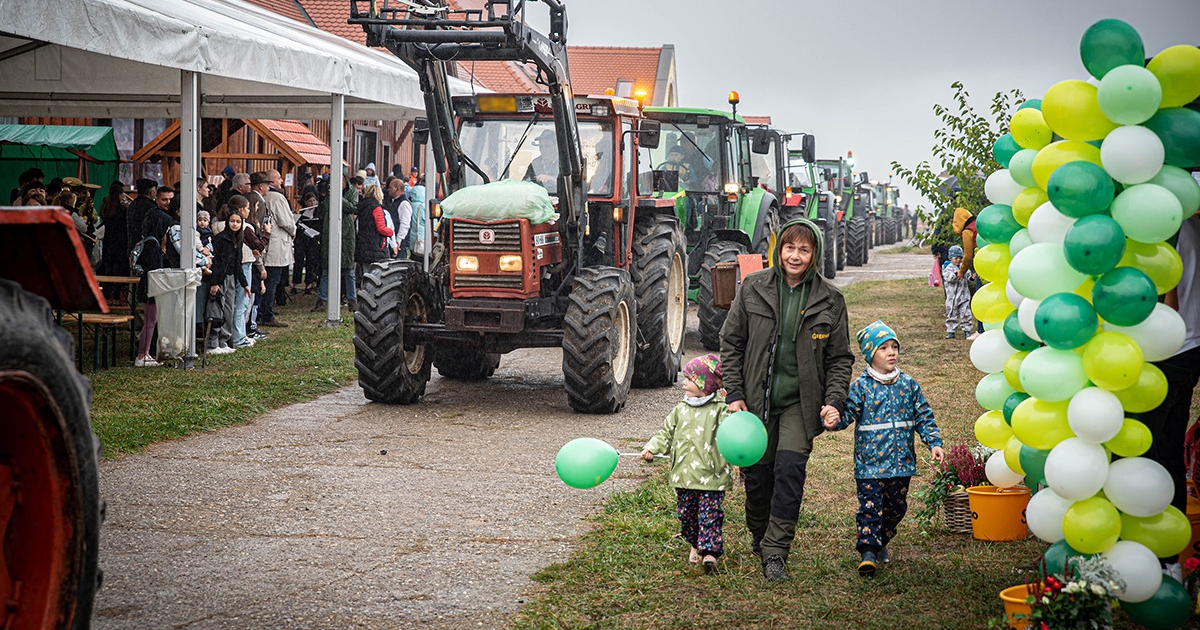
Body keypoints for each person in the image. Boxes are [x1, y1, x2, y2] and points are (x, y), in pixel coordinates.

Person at [719, 217, 855, 581]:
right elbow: (731, 342)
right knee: (758, 476)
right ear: (779, 250)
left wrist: (834, 400)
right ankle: (760, 534)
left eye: (804, 250)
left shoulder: (830, 298)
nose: (795, 256)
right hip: (754, 400)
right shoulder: (753, 287)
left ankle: (776, 550)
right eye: (789, 248)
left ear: (815, 255)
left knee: (790, 470)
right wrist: (734, 393)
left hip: (800, 401)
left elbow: (840, 358)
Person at [823, 320, 944, 577]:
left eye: (894, 347)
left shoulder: (909, 385)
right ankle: (868, 552)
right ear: (870, 354)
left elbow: (923, 416)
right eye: (883, 348)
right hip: (869, 465)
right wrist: (833, 420)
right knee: (870, 508)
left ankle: (881, 541)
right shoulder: (861, 387)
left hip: (901, 463)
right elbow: (846, 416)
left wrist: (933, 442)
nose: (891, 352)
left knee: (897, 508)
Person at [1141, 205, 1200, 581]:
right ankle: (1169, 561)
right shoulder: (1191, 219)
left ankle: (1156, 558)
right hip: (1191, 347)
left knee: (1143, 451)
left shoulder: (1161, 223)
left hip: (1169, 350)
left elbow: (1169, 299)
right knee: (1169, 453)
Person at [641, 353, 732, 573]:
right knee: (687, 515)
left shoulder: (721, 410)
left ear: (706, 383)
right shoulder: (681, 410)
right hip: (684, 476)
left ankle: (710, 553)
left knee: (710, 515)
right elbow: (666, 433)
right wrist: (653, 447)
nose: (684, 383)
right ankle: (695, 542)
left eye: (690, 379)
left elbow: (734, 432)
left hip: (712, 476)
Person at [133, 187, 175, 367]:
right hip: (150, 287)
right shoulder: (154, 245)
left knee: (151, 321)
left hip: (148, 285)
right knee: (150, 322)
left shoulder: (150, 241)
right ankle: (142, 355)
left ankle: (145, 353)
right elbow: (154, 270)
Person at [252, 170, 296, 328]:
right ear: (270, 182)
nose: (282, 181)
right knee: (272, 281)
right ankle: (267, 313)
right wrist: (294, 231)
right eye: (278, 178)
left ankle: (262, 311)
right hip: (276, 244)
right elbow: (286, 221)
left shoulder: (262, 198)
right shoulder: (276, 197)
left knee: (266, 280)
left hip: (267, 244)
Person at [207, 209, 249, 354]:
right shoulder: (221, 239)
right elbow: (219, 262)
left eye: (238, 222)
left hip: (231, 278)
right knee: (217, 308)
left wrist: (244, 284)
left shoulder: (239, 240)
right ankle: (213, 342)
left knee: (228, 309)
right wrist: (215, 282)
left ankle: (223, 340)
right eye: (232, 221)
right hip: (220, 277)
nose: (235, 224)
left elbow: (238, 263)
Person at [314, 181, 358, 314]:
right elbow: (320, 212)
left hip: (347, 234)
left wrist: (338, 197)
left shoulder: (352, 192)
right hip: (329, 233)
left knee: (349, 270)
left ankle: (352, 300)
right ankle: (322, 300)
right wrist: (324, 198)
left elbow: (351, 208)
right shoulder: (328, 195)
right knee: (327, 269)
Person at [355, 184, 394, 292]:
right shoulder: (376, 208)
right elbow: (381, 228)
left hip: (363, 244)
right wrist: (390, 232)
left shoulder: (362, 207)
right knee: (377, 274)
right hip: (375, 245)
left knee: (365, 273)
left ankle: (364, 295)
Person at [952, 207, 981, 339]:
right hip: (994, 263)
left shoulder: (968, 231)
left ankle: (981, 330)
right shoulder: (978, 223)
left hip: (983, 267)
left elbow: (968, 256)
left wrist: (962, 271)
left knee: (981, 299)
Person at [941, 245, 974, 339]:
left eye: (960, 258)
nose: (958, 260)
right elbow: (949, 278)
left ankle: (967, 330)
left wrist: (971, 278)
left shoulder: (964, 267)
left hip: (964, 296)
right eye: (956, 258)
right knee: (951, 313)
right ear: (950, 258)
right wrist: (957, 273)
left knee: (966, 313)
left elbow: (968, 279)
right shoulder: (948, 268)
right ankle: (951, 331)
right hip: (952, 297)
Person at [126, 178, 158, 260]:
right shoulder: (153, 207)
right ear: (152, 192)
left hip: (132, 245)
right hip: (148, 246)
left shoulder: (132, 204)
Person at [385, 178, 413, 259]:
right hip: (393, 241)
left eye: (390, 187)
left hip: (400, 244)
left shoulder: (404, 203)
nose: (388, 189)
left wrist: (399, 240)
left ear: (397, 189)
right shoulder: (393, 201)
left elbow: (405, 224)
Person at [523, 130, 558, 194]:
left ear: (556, 147)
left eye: (547, 146)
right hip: (538, 198)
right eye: (541, 146)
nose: (543, 150)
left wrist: (552, 179)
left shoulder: (565, 164)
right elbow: (525, 184)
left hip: (560, 198)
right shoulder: (534, 164)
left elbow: (571, 184)